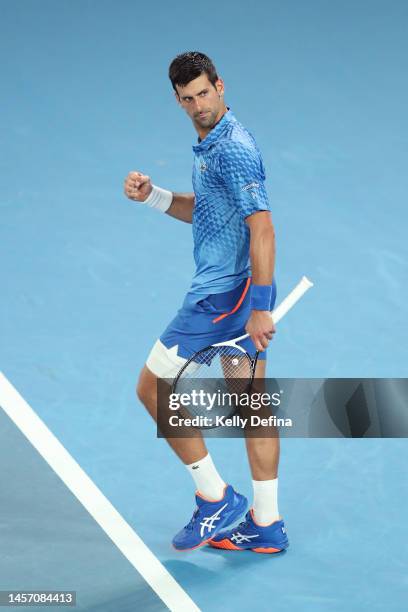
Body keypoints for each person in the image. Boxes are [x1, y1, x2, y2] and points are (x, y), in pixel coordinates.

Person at [124, 51, 289, 554]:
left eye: (205, 93)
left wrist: (259, 304)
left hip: (224, 297)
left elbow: (261, 225)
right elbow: (211, 211)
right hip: (240, 291)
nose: (199, 105)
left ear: (220, 84)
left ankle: (215, 497)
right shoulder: (210, 144)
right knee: (252, 407)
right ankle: (266, 522)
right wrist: (154, 197)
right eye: (188, 98)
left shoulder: (232, 148)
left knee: (152, 388)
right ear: (178, 99)